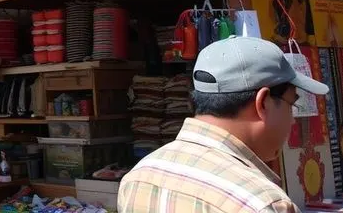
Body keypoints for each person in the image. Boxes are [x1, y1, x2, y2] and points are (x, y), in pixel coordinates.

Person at [118, 36, 330, 213]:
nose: (293, 119)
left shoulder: (138, 178)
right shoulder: (261, 204)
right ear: (262, 104)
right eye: (291, 104)